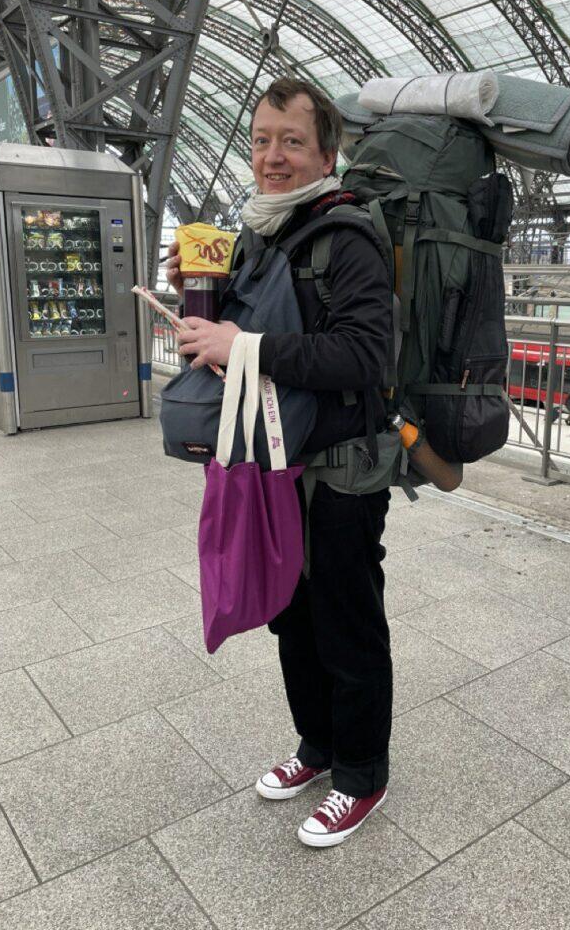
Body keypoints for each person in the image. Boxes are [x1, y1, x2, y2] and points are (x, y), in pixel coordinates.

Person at [166, 78, 393, 848]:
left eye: (292, 141)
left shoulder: (348, 235)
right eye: (262, 139)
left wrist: (247, 345)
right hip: (277, 465)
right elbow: (240, 328)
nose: (272, 156)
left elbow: (365, 354)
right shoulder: (259, 233)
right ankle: (318, 748)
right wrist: (200, 297)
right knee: (292, 618)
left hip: (342, 469)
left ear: (327, 152)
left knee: (347, 621)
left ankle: (363, 775)